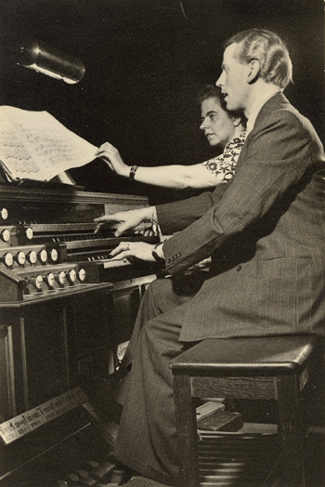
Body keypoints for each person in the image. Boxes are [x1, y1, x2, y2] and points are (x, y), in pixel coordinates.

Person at [95, 29, 325, 487]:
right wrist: (150, 227)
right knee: (162, 295)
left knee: (159, 337)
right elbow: (219, 202)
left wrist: (160, 251)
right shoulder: (269, 125)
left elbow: (229, 216)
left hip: (286, 291)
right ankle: (130, 418)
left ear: (253, 68)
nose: (220, 80)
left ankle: (160, 471)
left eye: (226, 68)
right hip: (274, 275)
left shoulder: (281, 125)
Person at [95, 85, 246, 189]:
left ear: (235, 118)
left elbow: (186, 178)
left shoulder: (243, 148)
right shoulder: (237, 149)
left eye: (212, 116)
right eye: (202, 119)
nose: (202, 126)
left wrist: (126, 169)